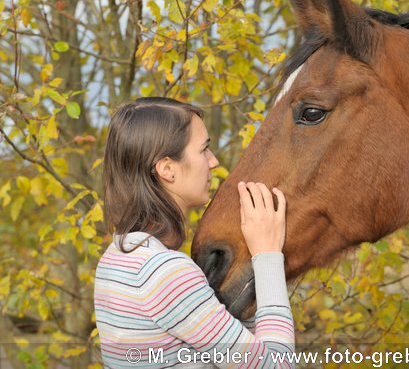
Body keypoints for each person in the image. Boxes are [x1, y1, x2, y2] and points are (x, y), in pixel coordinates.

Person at [94, 97, 294, 368]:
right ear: (167, 169)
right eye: (204, 150)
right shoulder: (166, 272)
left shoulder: (117, 258)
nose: (213, 162)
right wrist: (268, 254)